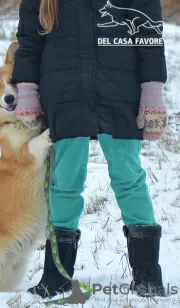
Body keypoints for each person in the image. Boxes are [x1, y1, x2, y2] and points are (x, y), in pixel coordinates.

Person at [12, 0, 168, 299]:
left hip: (120, 91)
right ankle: (56, 276)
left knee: (129, 177)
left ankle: (148, 275)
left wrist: (152, 89)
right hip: (65, 93)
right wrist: (28, 90)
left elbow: (149, 34)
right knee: (65, 181)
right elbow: (29, 41)